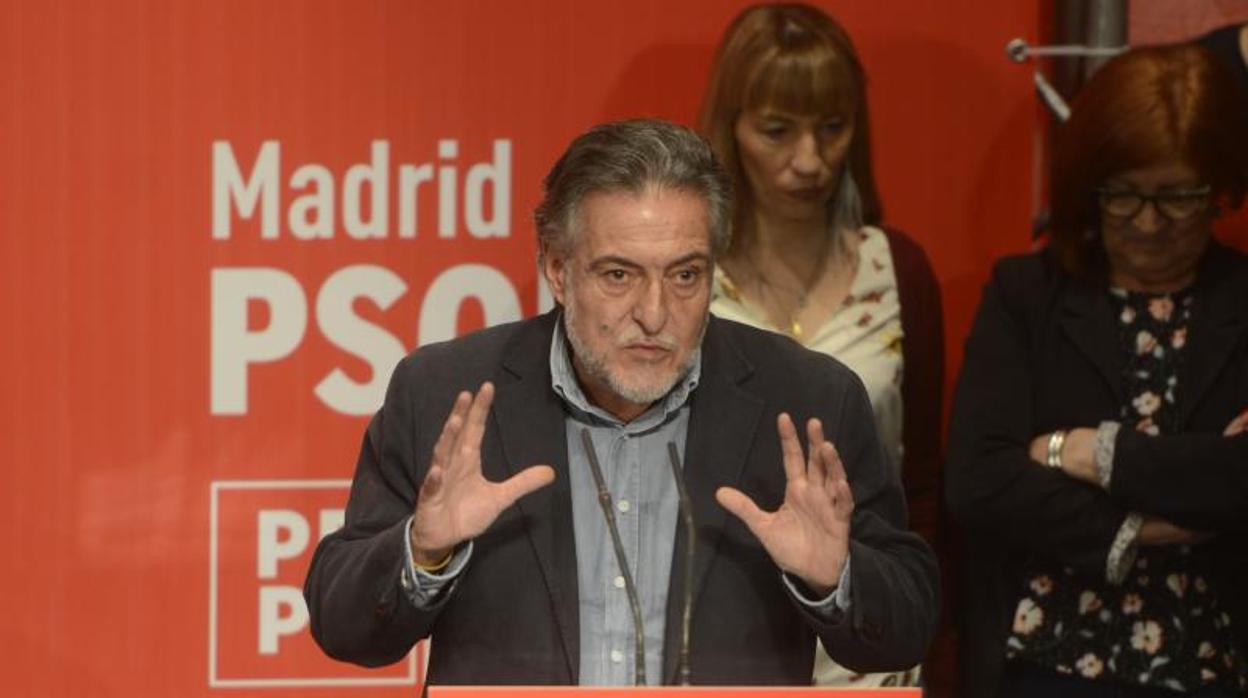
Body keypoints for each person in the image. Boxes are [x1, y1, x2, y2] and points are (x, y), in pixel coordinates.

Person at [303, 118, 938, 686]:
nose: (655, 314)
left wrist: (837, 578)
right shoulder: (445, 393)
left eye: (685, 275)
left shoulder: (808, 401)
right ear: (557, 268)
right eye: (619, 275)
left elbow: (908, 621)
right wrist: (423, 552)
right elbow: (342, 622)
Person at [947, 44, 1248, 698]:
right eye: (1124, 196)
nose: (1147, 222)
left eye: (1177, 198)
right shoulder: (1026, 294)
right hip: (1045, 658)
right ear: (1091, 187)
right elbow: (979, 480)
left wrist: (1090, 452)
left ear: (1221, 189)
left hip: (1212, 657)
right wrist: (1143, 526)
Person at [697, 3, 948, 689]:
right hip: (712, 642)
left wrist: (922, 640)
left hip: (866, 648)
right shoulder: (684, 278)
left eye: (832, 128)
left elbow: (920, 485)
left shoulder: (897, 269)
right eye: (777, 131)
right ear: (732, 128)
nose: (809, 160)